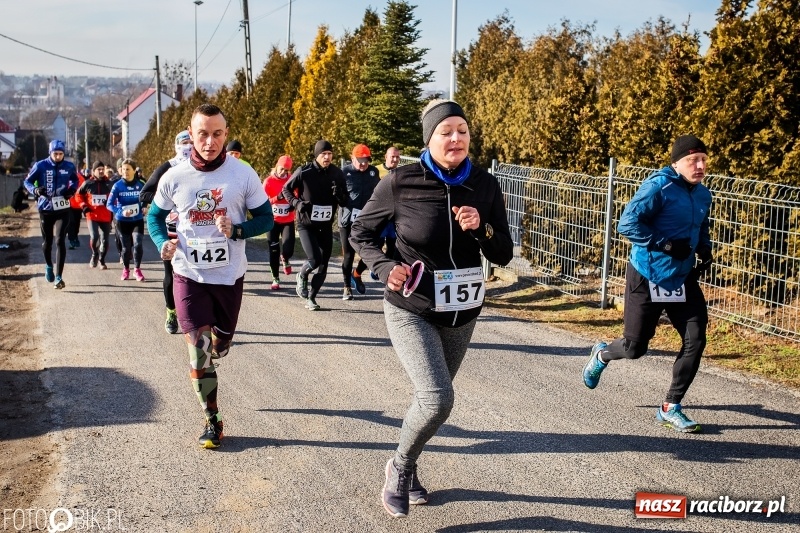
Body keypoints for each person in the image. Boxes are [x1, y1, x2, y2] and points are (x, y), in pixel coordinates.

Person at [349, 99, 513, 518]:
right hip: (412, 306)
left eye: (462, 129)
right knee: (438, 398)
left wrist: (484, 227)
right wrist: (385, 266)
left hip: (463, 310)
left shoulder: (484, 184)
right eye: (446, 131)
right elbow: (360, 230)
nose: (455, 138)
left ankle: (409, 463)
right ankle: (400, 469)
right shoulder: (402, 182)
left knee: (430, 401)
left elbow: (505, 252)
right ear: (430, 138)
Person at [147, 103, 273, 449]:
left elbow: (266, 219)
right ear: (192, 135)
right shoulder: (174, 177)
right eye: (203, 134)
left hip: (229, 276)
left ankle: (223, 340)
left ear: (225, 135)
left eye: (217, 134)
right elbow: (154, 218)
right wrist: (163, 243)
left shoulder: (243, 173)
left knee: (222, 342)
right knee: (199, 351)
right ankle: (212, 420)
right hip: (188, 275)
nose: (209, 141)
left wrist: (238, 230)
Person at [582, 135, 713, 434]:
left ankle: (670, 407)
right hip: (647, 275)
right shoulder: (659, 186)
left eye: (704, 159)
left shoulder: (703, 194)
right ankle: (602, 353)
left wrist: (704, 248)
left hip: (682, 277)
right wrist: (665, 246)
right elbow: (627, 223)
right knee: (634, 347)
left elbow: (701, 224)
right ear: (676, 162)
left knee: (696, 339)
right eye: (693, 160)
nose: (701, 165)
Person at [282, 140, 347, 311]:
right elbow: (285, 189)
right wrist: (296, 203)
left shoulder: (337, 174)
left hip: (325, 225)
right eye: (323, 154)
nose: (327, 157)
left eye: (330, 154)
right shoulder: (305, 171)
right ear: (317, 155)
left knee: (323, 263)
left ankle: (311, 298)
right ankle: (302, 274)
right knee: (314, 259)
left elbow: (345, 200)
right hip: (306, 224)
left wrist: (340, 196)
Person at [140, 130, 194, 334]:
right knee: (170, 273)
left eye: (191, 142)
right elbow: (144, 193)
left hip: (196, 231)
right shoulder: (168, 167)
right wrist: (165, 199)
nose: (188, 146)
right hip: (172, 230)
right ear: (176, 145)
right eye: (183, 143)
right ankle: (171, 311)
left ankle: (198, 317)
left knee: (199, 276)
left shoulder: (203, 166)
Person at [24, 139, 80, 289]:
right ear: (50, 153)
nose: (58, 156)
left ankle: (59, 277)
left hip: (62, 207)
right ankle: (48, 265)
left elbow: (76, 180)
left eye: (61, 154)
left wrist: (72, 190)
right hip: (46, 208)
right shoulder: (41, 165)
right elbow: (27, 182)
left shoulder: (69, 166)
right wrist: (35, 190)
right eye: (55, 154)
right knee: (48, 242)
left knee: (60, 240)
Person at [339, 144, 380, 300]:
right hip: (347, 220)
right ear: (352, 158)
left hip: (367, 221)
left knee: (373, 250)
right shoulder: (344, 173)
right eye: (360, 160)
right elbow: (338, 196)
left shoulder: (373, 172)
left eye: (366, 160)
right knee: (348, 255)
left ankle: (356, 274)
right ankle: (346, 287)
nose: (363, 164)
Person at [107, 158, 146, 281]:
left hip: (137, 220)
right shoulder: (117, 186)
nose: (125, 172)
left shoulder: (140, 185)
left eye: (128, 169)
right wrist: (121, 211)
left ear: (134, 170)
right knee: (126, 247)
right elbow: (109, 204)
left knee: (138, 244)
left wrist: (144, 206)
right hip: (122, 221)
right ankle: (126, 269)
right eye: (123, 170)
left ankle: (137, 270)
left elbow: (146, 199)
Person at [263, 155, 295, 290]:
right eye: (282, 169)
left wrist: (293, 204)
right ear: (276, 166)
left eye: (286, 170)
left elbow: (297, 195)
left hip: (288, 220)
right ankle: (275, 278)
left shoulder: (291, 180)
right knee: (273, 250)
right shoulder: (268, 182)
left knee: (288, 248)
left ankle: (285, 258)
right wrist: (277, 198)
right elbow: (262, 203)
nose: (283, 172)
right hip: (272, 221)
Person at [76, 161, 114, 269]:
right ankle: (94, 254)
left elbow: (116, 197)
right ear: (94, 171)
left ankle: (102, 260)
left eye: (102, 169)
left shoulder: (109, 184)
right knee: (94, 236)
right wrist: (83, 205)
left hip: (105, 216)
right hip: (92, 215)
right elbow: (78, 195)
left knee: (105, 240)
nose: (101, 171)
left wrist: (110, 202)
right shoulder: (88, 183)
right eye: (99, 169)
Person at [375, 146, 401, 268]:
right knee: (378, 245)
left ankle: (388, 270)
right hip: (380, 216)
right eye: (392, 156)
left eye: (397, 157)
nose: (395, 159)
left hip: (395, 217)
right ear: (386, 157)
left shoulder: (401, 173)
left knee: (393, 247)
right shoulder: (376, 171)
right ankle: (377, 266)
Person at [66, 160, 86, 250]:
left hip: (78, 204)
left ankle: (75, 236)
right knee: (71, 222)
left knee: (77, 222)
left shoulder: (80, 178)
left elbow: (84, 190)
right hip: (68, 204)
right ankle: (71, 240)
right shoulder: (65, 177)